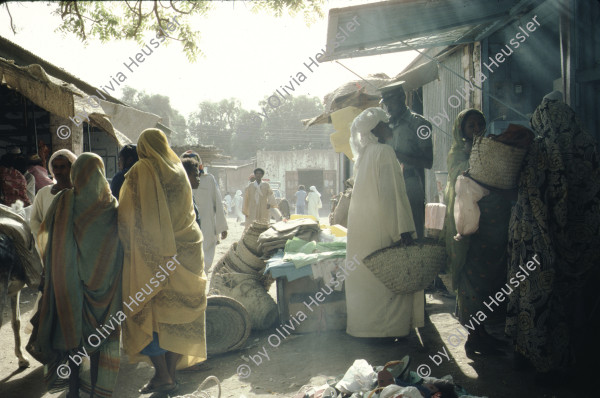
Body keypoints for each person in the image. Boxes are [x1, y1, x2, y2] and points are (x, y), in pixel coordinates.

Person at [506, 98, 600, 380]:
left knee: (531, 298)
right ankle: (562, 357)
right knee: (564, 301)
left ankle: (532, 355)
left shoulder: (539, 151)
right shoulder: (586, 148)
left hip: (531, 240)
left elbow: (527, 193)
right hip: (573, 242)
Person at [118, 129, 206, 394]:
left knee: (149, 314)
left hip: (155, 257)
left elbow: (127, 213)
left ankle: (163, 375)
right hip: (189, 251)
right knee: (181, 316)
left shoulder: (141, 169)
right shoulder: (179, 169)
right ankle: (168, 376)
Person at [30, 153, 123, 398]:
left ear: (75, 173)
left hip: (67, 285)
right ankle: (95, 389)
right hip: (105, 289)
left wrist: (53, 268)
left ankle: (73, 389)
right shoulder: (111, 206)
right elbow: (119, 247)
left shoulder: (64, 201)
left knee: (72, 340)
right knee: (99, 342)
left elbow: (44, 239)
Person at [345, 107, 422, 338]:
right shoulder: (385, 152)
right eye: (385, 124)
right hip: (383, 229)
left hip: (364, 230)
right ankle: (387, 331)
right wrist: (403, 231)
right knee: (389, 279)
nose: (389, 127)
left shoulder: (366, 154)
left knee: (368, 281)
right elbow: (391, 197)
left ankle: (366, 330)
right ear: (376, 128)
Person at [442, 109, 511, 355]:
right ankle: (473, 335)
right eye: (471, 125)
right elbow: (462, 176)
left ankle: (483, 333)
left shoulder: (491, 148)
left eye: (479, 124)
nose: (476, 129)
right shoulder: (457, 153)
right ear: (461, 129)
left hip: (489, 227)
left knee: (487, 282)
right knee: (471, 281)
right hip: (469, 229)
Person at [380, 81, 433, 239]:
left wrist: (396, 154)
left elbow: (428, 162)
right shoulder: (385, 126)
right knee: (392, 232)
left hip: (411, 182)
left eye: (392, 102)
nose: (388, 107)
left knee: (413, 230)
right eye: (386, 103)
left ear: (403, 97)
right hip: (388, 182)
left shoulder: (420, 124)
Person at [181, 150, 228, 271]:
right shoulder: (178, 180)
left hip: (207, 224)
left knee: (205, 256)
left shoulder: (209, 179)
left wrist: (222, 227)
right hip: (187, 224)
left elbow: (218, 202)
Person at [30, 149, 78, 245]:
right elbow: (35, 221)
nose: (58, 171)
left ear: (72, 168)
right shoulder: (43, 193)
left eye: (62, 167)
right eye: (55, 167)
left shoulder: (79, 193)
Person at [182, 158, 202, 228]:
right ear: (186, 176)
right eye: (195, 175)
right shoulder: (182, 197)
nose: (198, 179)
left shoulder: (189, 195)